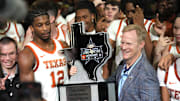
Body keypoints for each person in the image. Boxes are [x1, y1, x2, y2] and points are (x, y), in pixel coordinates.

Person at [18, 9, 76, 101]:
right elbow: (30, 94)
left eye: (47, 24)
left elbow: (75, 74)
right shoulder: (27, 54)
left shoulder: (63, 45)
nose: (45, 28)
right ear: (32, 28)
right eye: (40, 25)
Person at [107, 24, 160, 101]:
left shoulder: (147, 74)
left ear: (141, 44)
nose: (124, 47)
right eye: (122, 42)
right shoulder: (123, 64)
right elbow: (109, 83)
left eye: (128, 43)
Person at [0, 37, 20, 101]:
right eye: (3, 54)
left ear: (17, 52)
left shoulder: (26, 72)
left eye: (11, 53)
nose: (8, 58)